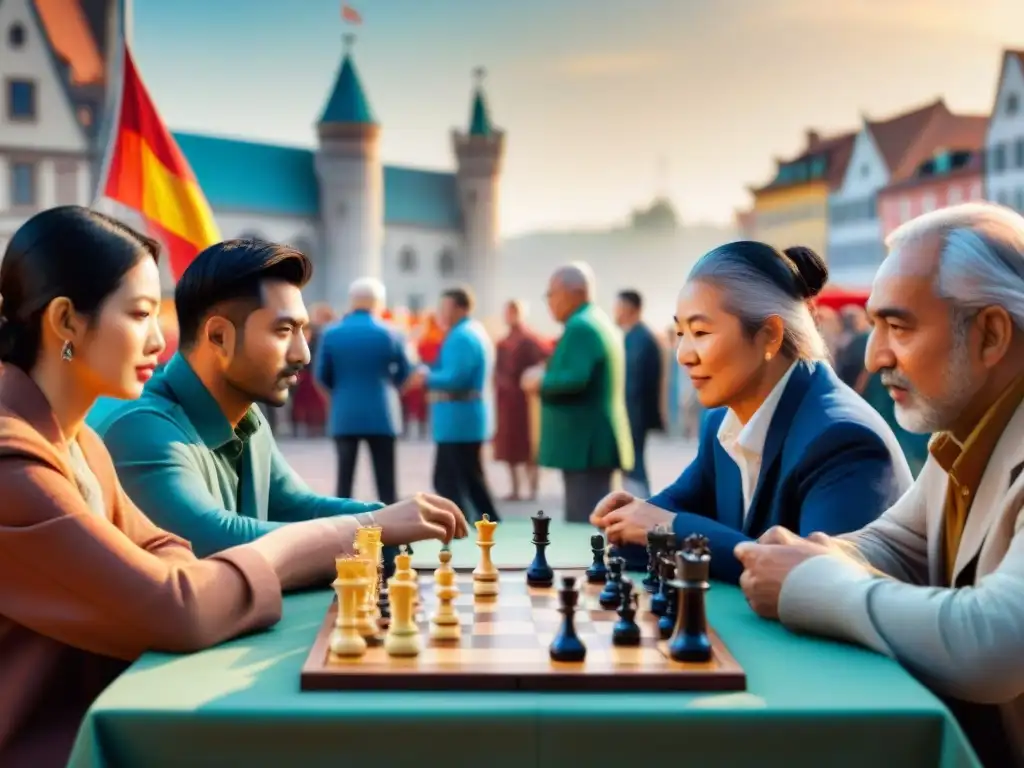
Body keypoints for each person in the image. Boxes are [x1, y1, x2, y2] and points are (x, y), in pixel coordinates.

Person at [0, 208, 465, 768]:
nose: (159, 338)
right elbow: (180, 602)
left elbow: (171, 556)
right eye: (141, 314)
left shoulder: (78, 444)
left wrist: (375, 522)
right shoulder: (17, 459)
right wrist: (356, 532)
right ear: (66, 322)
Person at [734, 204, 1024, 767]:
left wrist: (812, 584)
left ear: (991, 334)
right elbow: (897, 545)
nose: (873, 355)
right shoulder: (968, 433)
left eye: (899, 326)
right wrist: (817, 553)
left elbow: (996, 645)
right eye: (874, 326)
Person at [94, 238, 467, 558]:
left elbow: (294, 506)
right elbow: (213, 541)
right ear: (220, 337)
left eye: (302, 330)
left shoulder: (247, 419)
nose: (302, 353)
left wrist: (387, 514)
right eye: (284, 330)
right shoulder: (141, 427)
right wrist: (372, 526)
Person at [590, 241, 912, 582]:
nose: (683, 354)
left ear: (770, 336)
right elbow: (665, 516)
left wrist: (667, 527)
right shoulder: (722, 422)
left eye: (700, 332)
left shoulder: (843, 438)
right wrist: (632, 518)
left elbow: (817, 579)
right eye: (681, 333)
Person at [523, 262, 633, 523]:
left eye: (552, 294)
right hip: (591, 442)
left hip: (586, 445)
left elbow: (573, 380)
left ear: (574, 292)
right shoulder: (593, 319)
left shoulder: (581, 326)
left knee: (586, 525)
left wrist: (538, 382)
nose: (549, 301)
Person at [406, 286, 500, 522]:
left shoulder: (462, 336)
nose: (441, 313)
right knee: (468, 477)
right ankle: (485, 519)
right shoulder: (469, 331)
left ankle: (462, 523)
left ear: (460, 308)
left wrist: (426, 376)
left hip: (458, 419)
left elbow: (456, 377)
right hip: (462, 418)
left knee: (449, 479)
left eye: (445, 307)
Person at [315, 277, 411, 504]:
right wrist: (390, 386)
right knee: (386, 483)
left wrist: (338, 394)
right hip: (382, 412)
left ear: (352, 301)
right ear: (378, 302)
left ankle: (342, 531)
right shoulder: (391, 333)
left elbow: (321, 375)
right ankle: (392, 534)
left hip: (345, 412)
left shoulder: (331, 333)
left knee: (344, 482)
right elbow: (405, 371)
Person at [493, 299, 549, 500]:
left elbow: (546, 359)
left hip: (526, 401)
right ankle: (515, 488)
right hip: (507, 402)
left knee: (529, 446)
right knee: (510, 447)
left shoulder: (530, 340)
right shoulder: (503, 342)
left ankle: (533, 489)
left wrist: (535, 379)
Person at [615, 289, 664, 497]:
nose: (615, 312)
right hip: (635, 412)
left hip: (634, 413)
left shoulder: (639, 339)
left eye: (618, 307)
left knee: (634, 463)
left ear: (629, 309)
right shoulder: (637, 336)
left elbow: (633, 384)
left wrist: (624, 414)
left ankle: (643, 506)